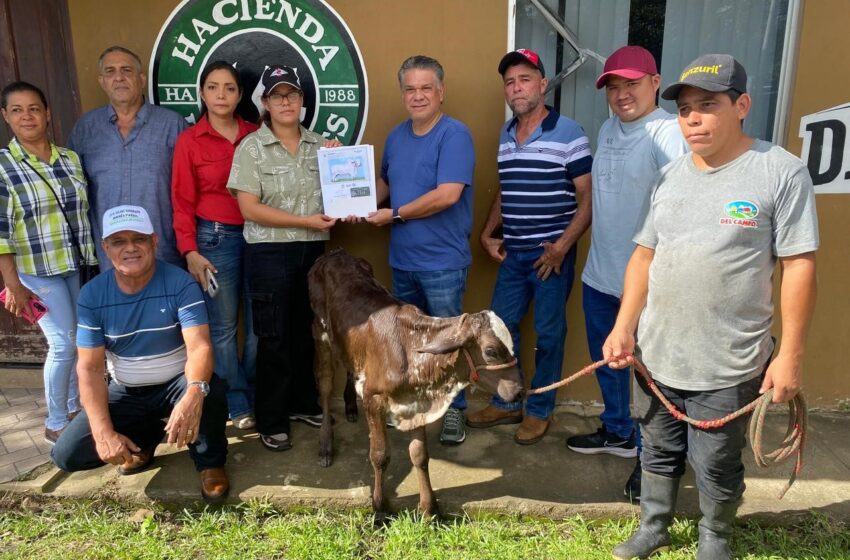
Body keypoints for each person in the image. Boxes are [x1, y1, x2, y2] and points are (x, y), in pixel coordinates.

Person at [606, 55, 818, 560]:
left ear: (741, 105)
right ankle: (654, 526)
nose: (692, 119)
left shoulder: (779, 172)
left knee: (717, 461)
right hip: (657, 354)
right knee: (656, 448)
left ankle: (714, 536)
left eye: (707, 106)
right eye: (684, 110)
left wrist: (790, 355)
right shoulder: (668, 177)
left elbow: (800, 266)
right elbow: (643, 256)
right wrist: (623, 328)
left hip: (729, 359)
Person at [566, 46, 688, 503]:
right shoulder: (609, 128)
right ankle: (618, 432)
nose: (621, 94)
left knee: (648, 378)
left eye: (631, 84)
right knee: (610, 365)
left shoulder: (670, 135)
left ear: (656, 82)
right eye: (613, 87)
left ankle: (650, 459)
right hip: (600, 273)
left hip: (647, 285)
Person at [51, 205, 230, 501]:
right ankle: (145, 440)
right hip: (126, 389)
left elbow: (199, 346)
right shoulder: (93, 295)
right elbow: (90, 369)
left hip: (176, 382)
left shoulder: (180, 283)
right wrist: (104, 433)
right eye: (119, 242)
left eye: (139, 239)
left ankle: (210, 462)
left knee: (208, 388)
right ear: (106, 247)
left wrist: (194, 393)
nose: (130, 248)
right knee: (67, 455)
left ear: (154, 241)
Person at [469, 49, 592, 445]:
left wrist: (560, 248)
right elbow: (506, 190)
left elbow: (589, 200)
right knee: (500, 333)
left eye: (524, 79)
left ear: (542, 84)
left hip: (550, 257)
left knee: (549, 333)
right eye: (509, 81)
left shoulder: (569, 132)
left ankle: (539, 410)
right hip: (514, 255)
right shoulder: (507, 136)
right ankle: (507, 405)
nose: (516, 87)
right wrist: (488, 233)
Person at [228, 64, 340, 452]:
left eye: (292, 94)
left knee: (306, 332)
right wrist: (303, 220)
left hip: (313, 251)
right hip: (269, 251)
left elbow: (344, 194)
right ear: (265, 103)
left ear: (303, 102)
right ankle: (272, 418)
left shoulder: (323, 146)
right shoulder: (251, 148)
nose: (286, 101)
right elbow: (249, 208)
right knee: (272, 338)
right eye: (277, 95)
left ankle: (302, 404)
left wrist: (343, 166)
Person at [364, 55, 475, 446]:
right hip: (404, 262)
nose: (417, 96)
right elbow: (383, 186)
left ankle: (454, 414)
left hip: (442, 264)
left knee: (447, 343)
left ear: (441, 92)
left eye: (426, 88)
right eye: (410, 89)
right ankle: (414, 408)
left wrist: (393, 215)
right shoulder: (396, 137)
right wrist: (350, 199)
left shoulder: (454, 135)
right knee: (408, 346)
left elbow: (447, 195)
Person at [0, 81, 98, 445]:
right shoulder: (3, 166)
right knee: (63, 343)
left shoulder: (69, 159)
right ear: (6, 116)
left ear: (47, 113)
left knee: (80, 340)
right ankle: (57, 419)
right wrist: (12, 284)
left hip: (75, 264)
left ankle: (75, 408)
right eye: (17, 110)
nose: (27, 116)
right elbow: (0, 233)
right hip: (36, 272)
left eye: (34, 108)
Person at [172, 60, 259, 430]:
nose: (221, 95)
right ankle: (237, 403)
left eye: (229, 88)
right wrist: (190, 251)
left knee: (258, 327)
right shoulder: (190, 141)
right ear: (202, 93)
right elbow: (181, 201)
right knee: (223, 327)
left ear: (240, 95)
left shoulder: (257, 135)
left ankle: (259, 397)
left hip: (260, 237)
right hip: (215, 239)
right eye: (213, 87)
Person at [69, 46, 186, 268]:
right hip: (109, 258)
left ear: (141, 79)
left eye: (126, 70)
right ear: (102, 81)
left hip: (164, 253)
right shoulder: (85, 129)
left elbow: (188, 192)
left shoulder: (173, 125)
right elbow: (74, 193)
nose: (119, 78)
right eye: (110, 71)